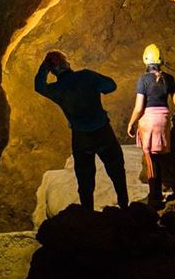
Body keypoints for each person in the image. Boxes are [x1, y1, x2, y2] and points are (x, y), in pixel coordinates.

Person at [35, 50, 129, 211]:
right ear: (67, 63)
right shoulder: (86, 76)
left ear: (52, 70)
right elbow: (111, 85)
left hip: (81, 137)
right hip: (102, 131)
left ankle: (88, 214)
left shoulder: (57, 89)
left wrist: (44, 66)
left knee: (85, 178)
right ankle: (125, 207)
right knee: (116, 169)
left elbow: (39, 86)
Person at [127, 43, 175, 209]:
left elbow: (139, 108)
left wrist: (131, 123)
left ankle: (154, 198)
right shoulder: (169, 79)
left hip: (149, 121)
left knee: (151, 159)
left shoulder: (143, 80)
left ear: (146, 61)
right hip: (164, 120)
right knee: (164, 157)